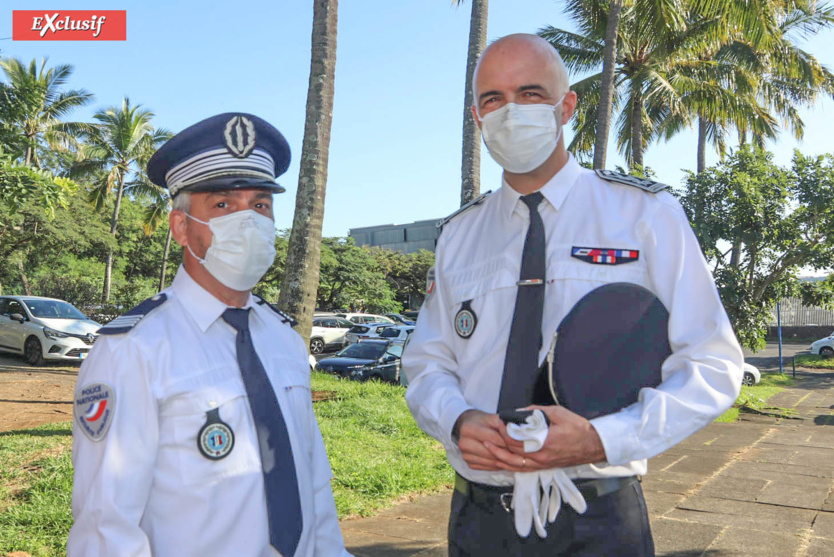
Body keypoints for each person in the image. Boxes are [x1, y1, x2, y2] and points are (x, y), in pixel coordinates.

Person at [402, 34, 743, 556]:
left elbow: (712, 364)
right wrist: (456, 419)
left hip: (598, 516)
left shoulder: (645, 214)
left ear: (566, 107)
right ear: (476, 117)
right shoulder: (459, 235)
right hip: (478, 520)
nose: (510, 111)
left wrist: (606, 438)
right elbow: (428, 363)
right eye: (493, 98)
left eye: (531, 93)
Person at [68, 113, 351, 557]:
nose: (248, 222)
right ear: (180, 227)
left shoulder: (284, 341)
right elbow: (107, 529)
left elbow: (312, 485)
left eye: (259, 206)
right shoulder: (134, 350)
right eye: (222, 205)